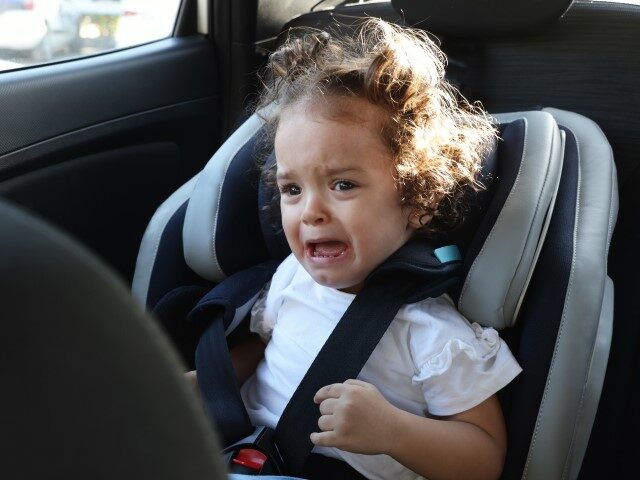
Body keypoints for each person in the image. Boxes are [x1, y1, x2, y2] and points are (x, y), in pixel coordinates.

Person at [190, 18, 522, 480]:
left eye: (342, 184)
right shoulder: (289, 279)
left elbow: (484, 459)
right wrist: (212, 384)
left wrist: (393, 432)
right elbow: (265, 349)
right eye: (292, 189)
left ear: (416, 199)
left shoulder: (432, 335)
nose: (311, 212)